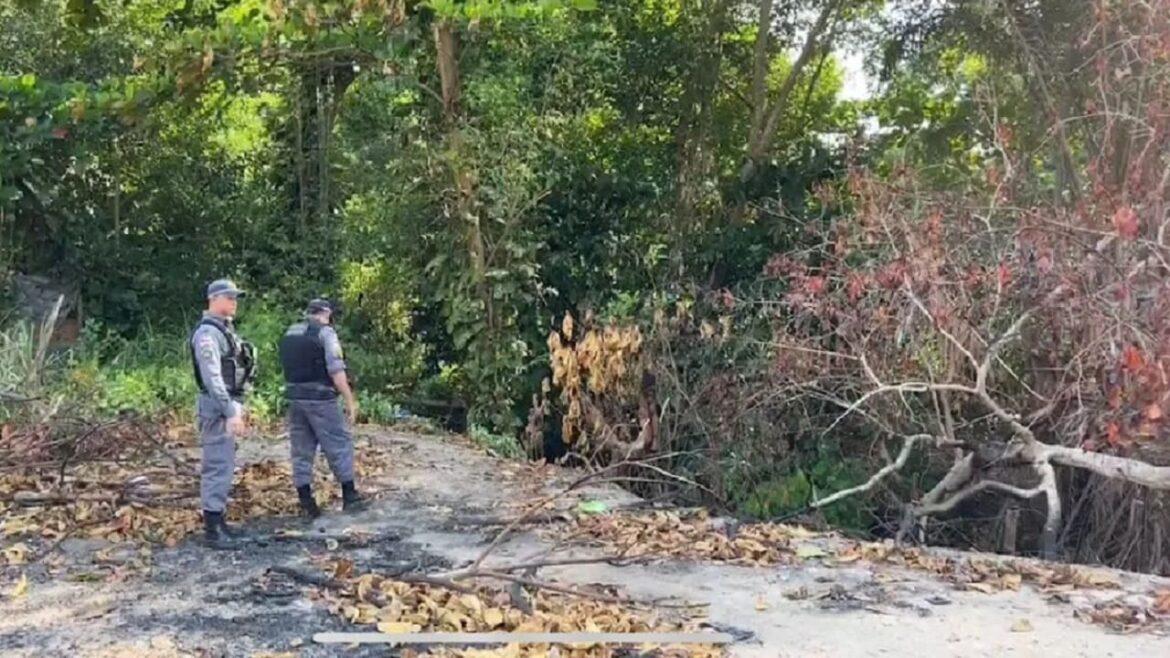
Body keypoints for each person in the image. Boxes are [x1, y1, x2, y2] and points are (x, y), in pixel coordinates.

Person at [278, 298, 366, 518]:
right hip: (321, 398)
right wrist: (350, 401)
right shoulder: (326, 334)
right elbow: (336, 372)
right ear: (326, 313)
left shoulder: (291, 332)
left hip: (295, 397)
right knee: (338, 444)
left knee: (301, 449)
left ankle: (306, 501)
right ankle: (350, 496)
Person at [190, 278, 256, 549]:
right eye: (228, 297)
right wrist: (231, 411)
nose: (234, 302)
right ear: (214, 299)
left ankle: (219, 522)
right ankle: (213, 530)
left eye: (235, 297)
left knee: (225, 464)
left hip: (225, 404)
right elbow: (212, 378)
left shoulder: (223, 330)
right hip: (217, 407)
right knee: (217, 466)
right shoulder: (208, 334)